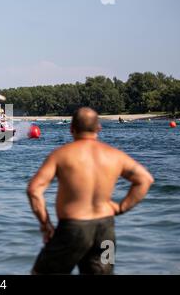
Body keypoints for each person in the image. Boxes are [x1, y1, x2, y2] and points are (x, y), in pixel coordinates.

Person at [26, 107, 154, 274]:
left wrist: (45, 224)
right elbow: (145, 179)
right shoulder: (115, 155)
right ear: (98, 128)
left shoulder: (61, 155)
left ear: (71, 128)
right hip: (106, 230)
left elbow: (34, 190)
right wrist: (121, 207)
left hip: (73, 229)